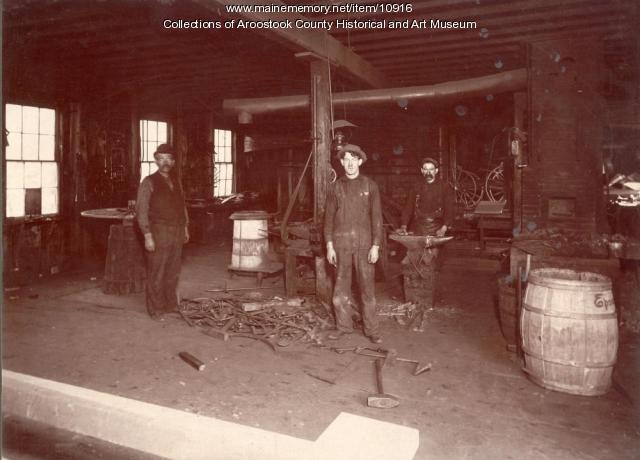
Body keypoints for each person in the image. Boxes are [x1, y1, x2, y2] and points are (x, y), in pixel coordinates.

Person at [324, 144, 384, 344]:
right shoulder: (335, 187)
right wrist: (329, 246)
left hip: (364, 245)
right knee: (340, 288)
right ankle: (343, 327)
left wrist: (376, 245)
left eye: (353, 159)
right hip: (341, 245)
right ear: (341, 163)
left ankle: (372, 330)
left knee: (367, 289)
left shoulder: (370, 186)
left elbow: (377, 219)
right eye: (346, 160)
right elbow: (328, 220)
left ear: (360, 161)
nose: (350, 164)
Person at [136, 144, 189, 320]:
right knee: (157, 271)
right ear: (156, 160)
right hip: (158, 231)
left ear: (173, 161)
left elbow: (182, 206)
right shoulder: (148, 182)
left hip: (177, 230)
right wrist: (147, 235)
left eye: (169, 158)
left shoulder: (177, 181)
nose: (165, 162)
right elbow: (141, 210)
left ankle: (170, 304)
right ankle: (156, 309)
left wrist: (185, 227)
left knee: (173, 270)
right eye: (161, 158)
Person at [398, 157, 448, 236]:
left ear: (436, 171)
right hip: (418, 228)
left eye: (431, 169)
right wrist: (403, 226)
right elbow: (408, 207)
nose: (428, 172)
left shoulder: (444, 187)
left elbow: (449, 210)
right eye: (425, 169)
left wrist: (443, 229)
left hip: (438, 229)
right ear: (422, 171)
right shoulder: (416, 186)